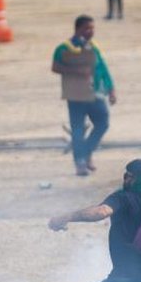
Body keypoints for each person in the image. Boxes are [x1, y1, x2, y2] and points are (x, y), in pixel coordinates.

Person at [51, 15, 116, 176]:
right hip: (76, 95)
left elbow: (103, 68)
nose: (91, 31)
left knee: (103, 123)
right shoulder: (64, 48)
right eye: (87, 28)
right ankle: (80, 162)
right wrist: (76, 71)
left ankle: (86, 152)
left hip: (95, 93)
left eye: (92, 28)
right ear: (78, 28)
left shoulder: (93, 47)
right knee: (78, 129)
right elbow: (55, 67)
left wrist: (111, 89)